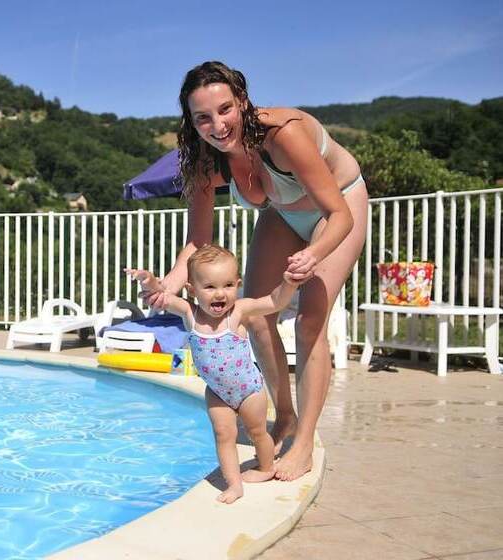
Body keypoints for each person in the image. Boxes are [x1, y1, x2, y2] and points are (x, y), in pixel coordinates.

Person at [143, 61, 368, 481]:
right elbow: (199, 241)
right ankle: (284, 417)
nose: (217, 125)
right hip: (284, 214)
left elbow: (338, 214)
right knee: (259, 317)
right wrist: (170, 282)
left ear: (242, 101)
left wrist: (315, 253)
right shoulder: (205, 161)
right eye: (203, 118)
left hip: (338, 209)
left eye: (225, 109)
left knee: (309, 321)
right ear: (191, 123)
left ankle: (303, 445)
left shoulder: (283, 135)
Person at [127, 244, 300, 503]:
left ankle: (266, 468)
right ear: (192, 290)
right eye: (209, 287)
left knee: (257, 432)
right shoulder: (190, 313)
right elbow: (162, 295)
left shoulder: (238, 311)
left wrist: (288, 283)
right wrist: (150, 281)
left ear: (237, 284)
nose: (220, 294)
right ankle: (234, 484)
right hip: (218, 392)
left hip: (249, 390)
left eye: (228, 285)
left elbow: (275, 301)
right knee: (223, 435)